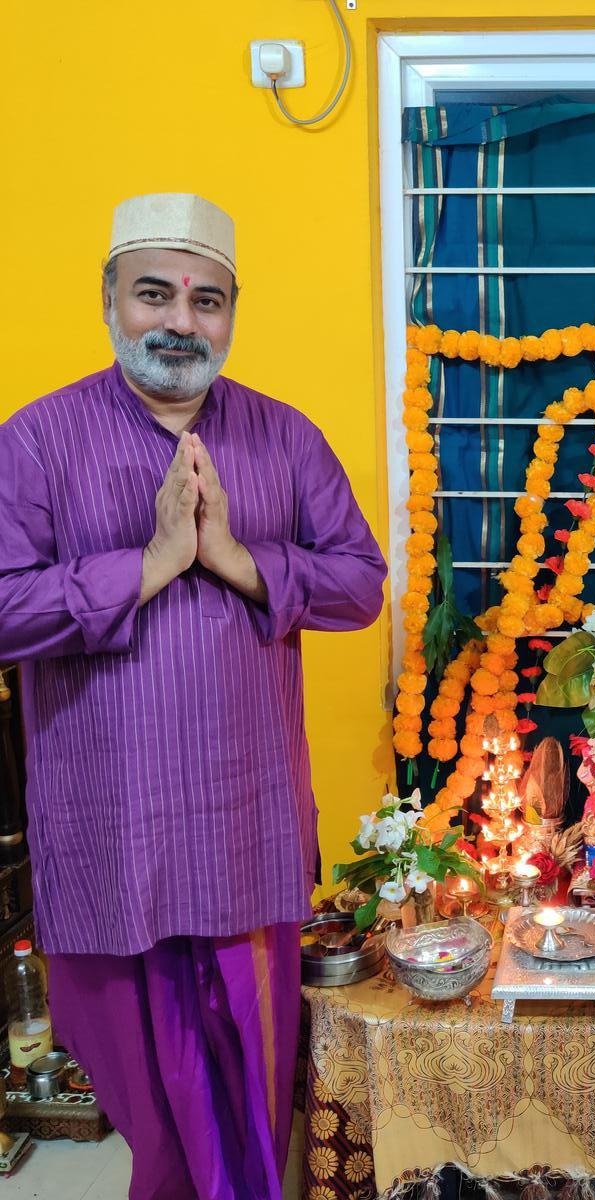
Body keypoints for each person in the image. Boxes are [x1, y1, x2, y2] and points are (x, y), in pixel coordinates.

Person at [0, 193, 387, 1199]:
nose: (181, 320)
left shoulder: (285, 439)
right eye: (154, 294)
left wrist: (233, 557)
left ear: (231, 312)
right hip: (109, 838)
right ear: (110, 301)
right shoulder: (36, 443)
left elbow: (359, 584)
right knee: (155, 1115)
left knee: (251, 1101)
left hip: (242, 834)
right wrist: (152, 561)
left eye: (206, 300)